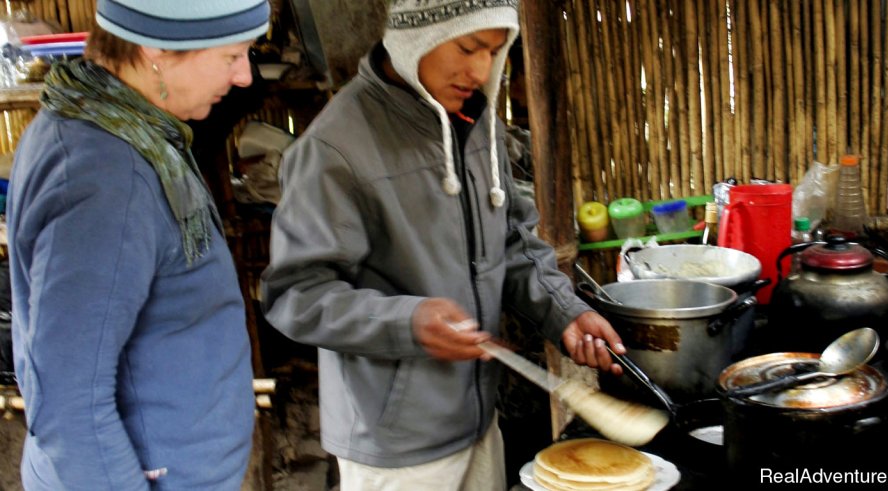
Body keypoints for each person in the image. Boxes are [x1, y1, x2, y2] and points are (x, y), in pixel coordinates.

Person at [260, 1, 625, 489]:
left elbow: (513, 239)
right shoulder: (335, 150)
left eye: (495, 51)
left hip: (476, 421)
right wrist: (407, 323)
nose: (480, 69)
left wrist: (564, 310)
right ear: (416, 39)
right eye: (468, 47)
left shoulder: (476, 124)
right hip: (395, 445)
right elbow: (296, 296)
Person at [5, 0, 269, 488]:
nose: (244, 78)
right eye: (232, 56)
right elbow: (69, 402)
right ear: (156, 52)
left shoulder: (121, 128)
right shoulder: (107, 177)